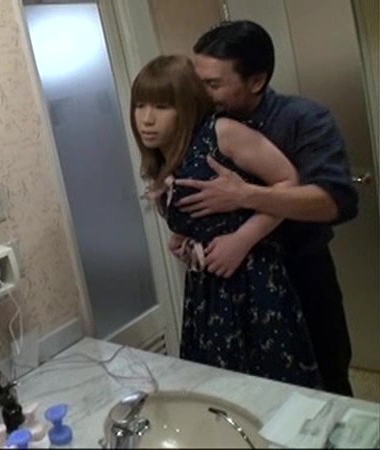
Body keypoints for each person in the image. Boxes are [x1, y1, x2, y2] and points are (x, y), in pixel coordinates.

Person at [176, 20, 358, 396]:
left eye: (213, 84)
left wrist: (245, 195)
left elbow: (334, 200)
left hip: (300, 274)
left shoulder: (304, 118)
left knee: (325, 387)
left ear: (256, 80)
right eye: (198, 82)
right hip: (228, 287)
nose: (202, 94)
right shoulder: (200, 123)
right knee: (239, 393)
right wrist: (186, 234)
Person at [130, 54, 321, 388]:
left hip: (254, 283)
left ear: (186, 106)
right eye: (140, 106)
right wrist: (186, 238)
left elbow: (289, 182)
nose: (147, 119)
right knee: (219, 392)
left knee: (270, 391)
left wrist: (242, 239)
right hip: (207, 291)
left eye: (162, 107)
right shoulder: (165, 157)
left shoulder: (220, 133)